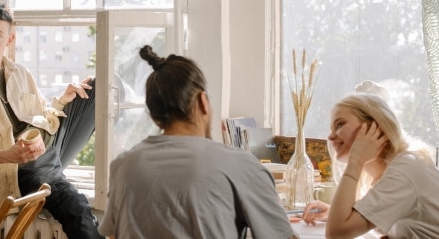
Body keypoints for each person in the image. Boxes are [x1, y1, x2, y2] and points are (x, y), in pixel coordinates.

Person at [97, 45, 296, 239]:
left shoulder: (123, 166)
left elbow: (113, 235)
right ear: (203, 101)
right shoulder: (242, 166)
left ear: (154, 116)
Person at [0, 0, 102, 239]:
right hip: (23, 168)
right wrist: (7, 154)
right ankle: (57, 178)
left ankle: (70, 171)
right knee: (77, 209)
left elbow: (41, 117)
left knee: (96, 86)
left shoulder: (21, 72)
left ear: (10, 39)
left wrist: (62, 101)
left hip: (50, 144)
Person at [301, 93, 439, 238]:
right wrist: (334, 212)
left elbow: (337, 234)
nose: (330, 137)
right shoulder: (393, 170)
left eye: (340, 124)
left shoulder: (405, 169)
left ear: (373, 127)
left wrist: (355, 162)